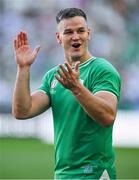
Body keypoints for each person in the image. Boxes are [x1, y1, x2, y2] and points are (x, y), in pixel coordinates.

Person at [12, 8, 121, 179]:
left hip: (94, 173)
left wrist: (76, 88)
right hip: (62, 174)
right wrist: (23, 68)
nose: (75, 36)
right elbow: (22, 111)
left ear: (89, 34)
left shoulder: (102, 70)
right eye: (68, 32)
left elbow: (107, 116)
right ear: (58, 38)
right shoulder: (54, 76)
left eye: (80, 31)